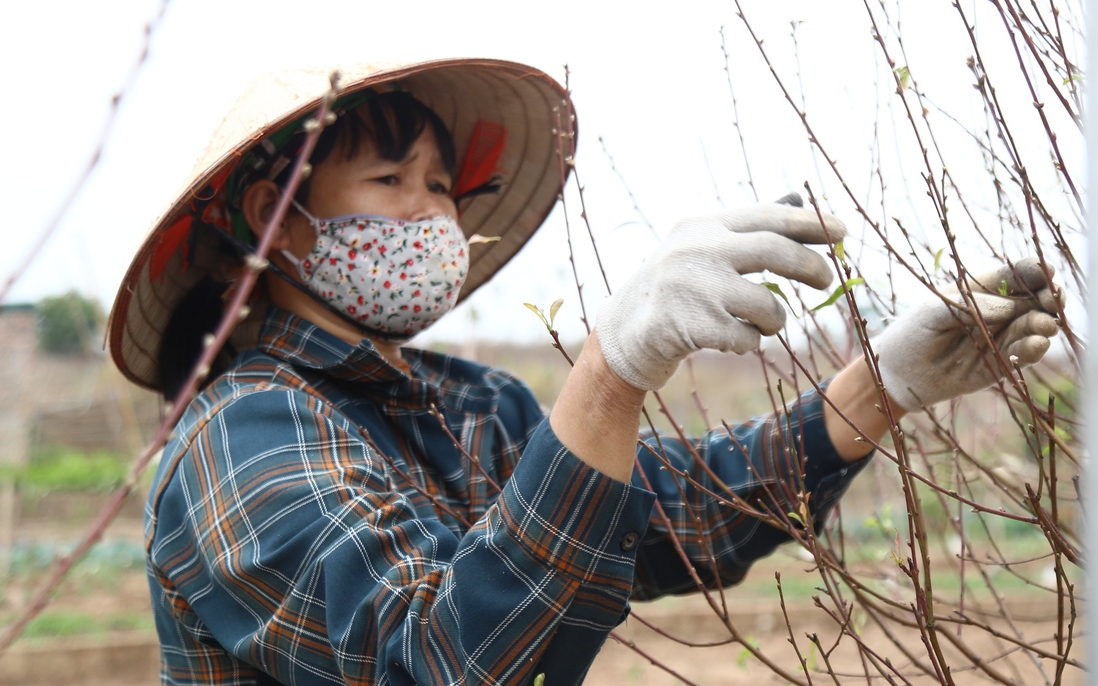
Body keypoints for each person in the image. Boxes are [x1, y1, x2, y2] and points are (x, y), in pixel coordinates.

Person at [109, 59, 1060, 685]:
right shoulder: (240, 437)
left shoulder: (468, 405)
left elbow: (678, 518)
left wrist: (878, 386)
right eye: (390, 181)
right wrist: (608, 374)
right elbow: (437, 657)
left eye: (441, 185)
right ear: (279, 216)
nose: (428, 214)